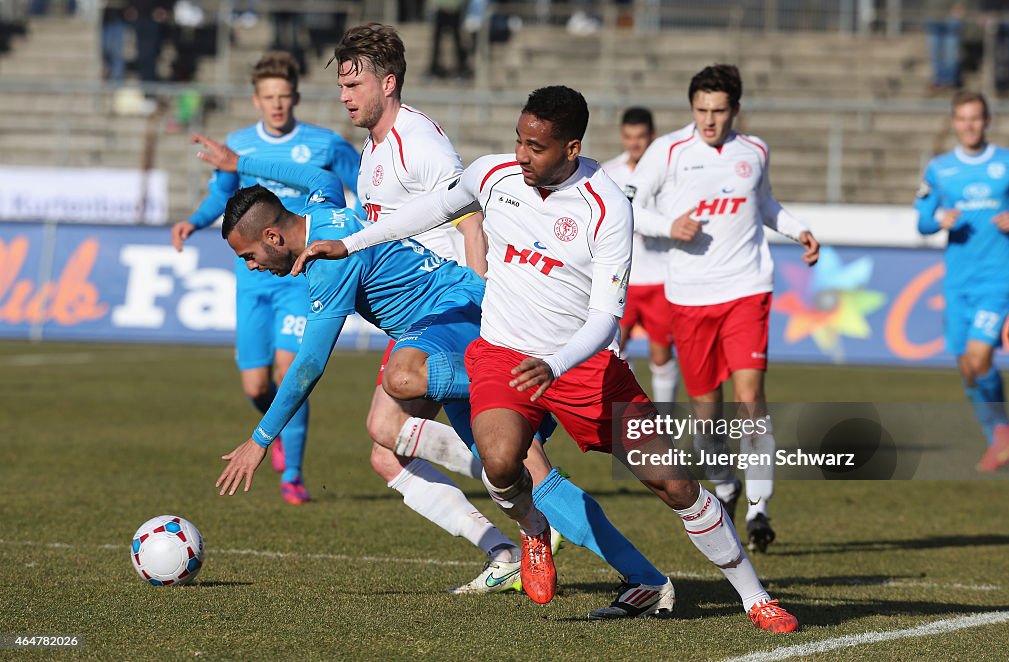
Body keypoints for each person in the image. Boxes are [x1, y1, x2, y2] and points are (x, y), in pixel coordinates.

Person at [292, 85, 800, 631]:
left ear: (572, 147)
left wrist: (556, 366)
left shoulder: (606, 207)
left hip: (583, 367)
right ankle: (534, 531)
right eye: (518, 140)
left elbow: (606, 317)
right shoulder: (493, 176)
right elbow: (433, 209)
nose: (521, 155)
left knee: (675, 482)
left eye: (536, 147)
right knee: (501, 460)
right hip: (504, 355)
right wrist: (351, 243)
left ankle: (754, 596)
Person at [203, 139, 676, 611]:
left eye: (249, 257)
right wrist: (239, 163)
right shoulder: (323, 208)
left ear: (273, 237)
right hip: (445, 337)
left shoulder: (330, 266)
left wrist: (261, 439)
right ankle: (643, 578)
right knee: (517, 467)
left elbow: (309, 365)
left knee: (402, 377)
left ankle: (524, 391)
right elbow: (318, 176)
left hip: (457, 312)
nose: (253, 268)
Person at [311, 22, 675, 604]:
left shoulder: (419, 144)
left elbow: (471, 216)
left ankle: (552, 528)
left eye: (353, 83)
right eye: (341, 85)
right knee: (390, 442)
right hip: (429, 318)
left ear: (389, 81)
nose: (344, 95)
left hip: (459, 311)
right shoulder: (373, 148)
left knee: (466, 430)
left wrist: (487, 300)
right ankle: (513, 546)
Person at [625, 64, 819, 554]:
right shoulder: (667, 151)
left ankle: (758, 508)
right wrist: (671, 225)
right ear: (692, 108)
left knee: (751, 399)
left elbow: (766, 204)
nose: (709, 120)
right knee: (707, 415)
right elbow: (628, 205)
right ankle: (726, 484)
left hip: (747, 289)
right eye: (701, 110)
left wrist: (798, 230)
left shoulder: (753, 152)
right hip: (689, 297)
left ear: (735, 110)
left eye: (718, 110)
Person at [170, 52, 361, 504]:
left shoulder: (324, 144)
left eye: (284, 96)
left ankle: (292, 474)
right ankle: (277, 429)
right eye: (269, 97)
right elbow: (222, 193)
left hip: (301, 275)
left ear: (294, 97)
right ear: (257, 101)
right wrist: (194, 222)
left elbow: (367, 185)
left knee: (288, 368)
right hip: (254, 280)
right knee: (256, 384)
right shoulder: (238, 146)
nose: (277, 105)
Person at [915, 90, 1009, 472]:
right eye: (962, 119)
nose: (969, 125)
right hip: (958, 281)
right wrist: (939, 219)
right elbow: (922, 221)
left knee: (980, 358)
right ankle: (995, 434)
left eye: (976, 118)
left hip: (997, 278)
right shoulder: (939, 169)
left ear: (987, 120)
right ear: (953, 123)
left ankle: (1003, 431)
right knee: (966, 368)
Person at [601, 107, 678, 406]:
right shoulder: (609, 172)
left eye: (641, 136)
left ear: (652, 136)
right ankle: (636, 415)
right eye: (629, 137)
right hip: (622, 277)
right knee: (615, 351)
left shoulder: (667, 174)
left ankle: (666, 421)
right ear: (622, 136)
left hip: (660, 277)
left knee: (661, 353)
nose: (634, 143)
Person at [923, 1, 966, 92]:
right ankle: (938, 80)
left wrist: (960, 5)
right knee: (935, 52)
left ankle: (949, 81)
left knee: (950, 51)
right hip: (932, 14)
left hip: (951, 14)